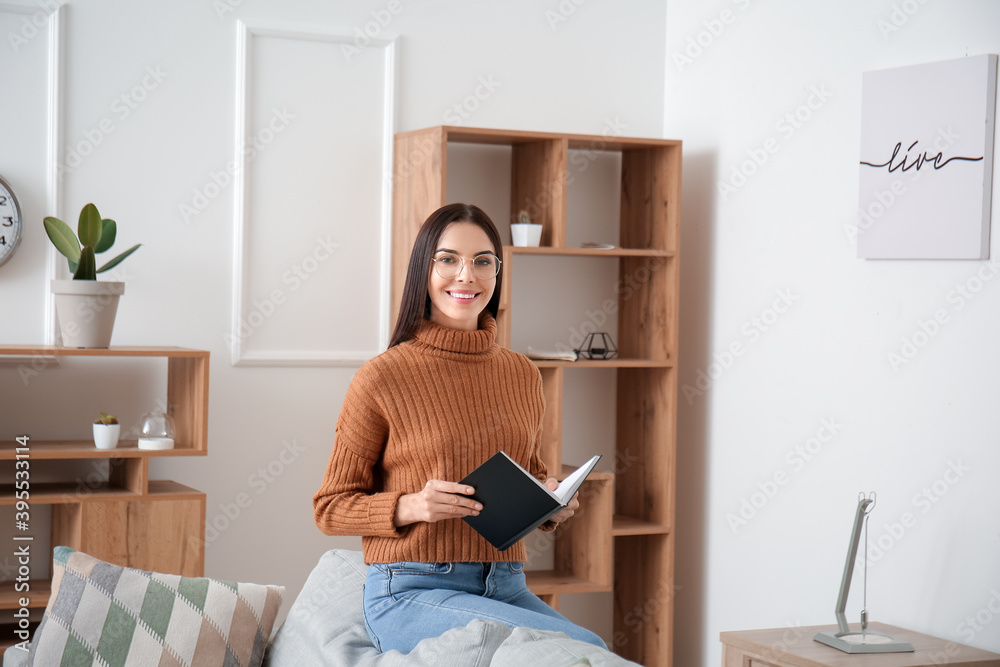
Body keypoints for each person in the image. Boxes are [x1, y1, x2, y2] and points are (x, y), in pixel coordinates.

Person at [313, 202, 607, 653]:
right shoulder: (382, 376)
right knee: (575, 649)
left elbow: (527, 473)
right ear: (423, 271)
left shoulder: (521, 374)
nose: (466, 275)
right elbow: (330, 507)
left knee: (593, 648)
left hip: (505, 585)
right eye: (448, 259)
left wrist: (549, 504)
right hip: (412, 590)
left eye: (482, 261)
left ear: (498, 272)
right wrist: (412, 506)